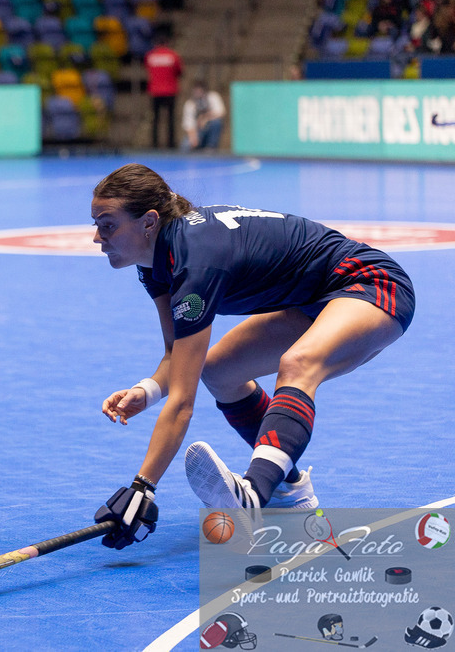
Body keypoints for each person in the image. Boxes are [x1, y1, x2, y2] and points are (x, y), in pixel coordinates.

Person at [90, 163, 414, 548]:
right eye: (96, 224)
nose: (97, 237)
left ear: (148, 221)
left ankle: (254, 494)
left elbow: (183, 402)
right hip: (314, 300)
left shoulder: (196, 261)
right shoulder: (155, 262)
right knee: (219, 371)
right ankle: (290, 491)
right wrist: (147, 390)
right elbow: (176, 353)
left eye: (107, 225)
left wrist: (143, 488)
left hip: (373, 284)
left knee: (298, 363)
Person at [143, 33, 183, 149]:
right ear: (167, 43)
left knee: (155, 118)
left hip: (155, 91)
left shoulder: (150, 56)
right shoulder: (173, 55)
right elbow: (179, 72)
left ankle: (154, 144)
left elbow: (148, 70)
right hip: (170, 90)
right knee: (170, 118)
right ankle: (170, 144)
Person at [181, 79, 226, 151]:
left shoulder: (213, 97)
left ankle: (211, 148)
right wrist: (193, 137)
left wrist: (205, 118)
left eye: (200, 91)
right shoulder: (190, 104)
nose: (198, 93)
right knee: (185, 146)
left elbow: (221, 112)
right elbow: (188, 124)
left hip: (209, 129)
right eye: (196, 91)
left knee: (216, 123)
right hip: (198, 131)